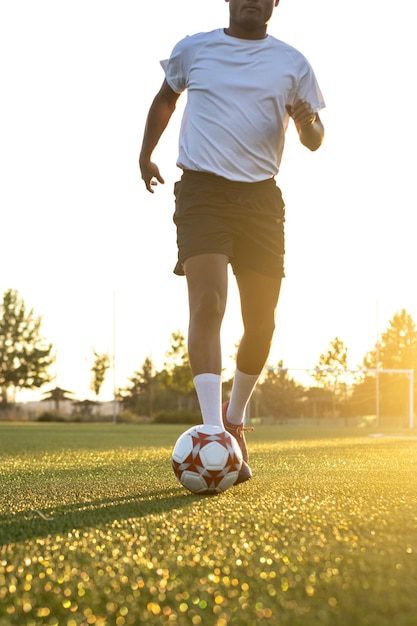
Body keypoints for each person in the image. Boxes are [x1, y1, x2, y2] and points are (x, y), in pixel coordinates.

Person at [139, 0, 325, 484]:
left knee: (261, 325)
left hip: (261, 201)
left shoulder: (292, 63)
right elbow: (165, 99)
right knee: (208, 304)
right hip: (202, 193)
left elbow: (315, 139)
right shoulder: (194, 49)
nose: (252, 0)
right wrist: (145, 154)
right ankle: (211, 429)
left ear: (275, 3)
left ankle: (235, 419)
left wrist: (307, 121)